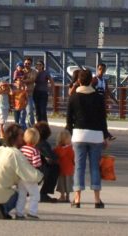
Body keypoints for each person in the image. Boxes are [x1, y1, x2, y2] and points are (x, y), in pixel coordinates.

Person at [66, 68, 110, 208]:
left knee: (79, 167)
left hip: (79, 134)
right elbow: (102, 119)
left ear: (79, 81)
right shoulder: (98, 97)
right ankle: (97, 199)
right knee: (95, 167)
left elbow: (69, 121)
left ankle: (77, 199)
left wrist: (70, 134)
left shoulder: (73, 97)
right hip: (96, 136)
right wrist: (105, 136)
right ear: (91, 81)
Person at [0, 124, 41, 219]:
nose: (24, 138)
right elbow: (31, 175)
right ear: (16, 137)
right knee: (20, 194)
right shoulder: (15, 153)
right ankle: (3, 208)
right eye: (22, 135)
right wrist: (41, 176)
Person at [15, 127, 42, 219]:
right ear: (37, 140)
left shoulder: (21, 149)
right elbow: (36, 164)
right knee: (35, 195)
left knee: (22, 195)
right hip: (30, 176)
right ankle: (32, 212)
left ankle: (19, 213)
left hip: (21, 176)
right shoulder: (35, 151)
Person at [34, 121, 59, 203]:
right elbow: (51, 156)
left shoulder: (34, 142)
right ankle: (44, 193)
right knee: (55, 167)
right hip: (38, 169)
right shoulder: (42, 143)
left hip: (31, 167)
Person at [54, 128, 75, 204]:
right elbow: (73, 158)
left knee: (61, 183)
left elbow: (55, 157)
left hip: (61, 169)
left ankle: (62, 196)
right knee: (68, 183)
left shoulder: (57, 149)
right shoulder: (70, 149)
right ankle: (67, 196)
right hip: (69, 169)